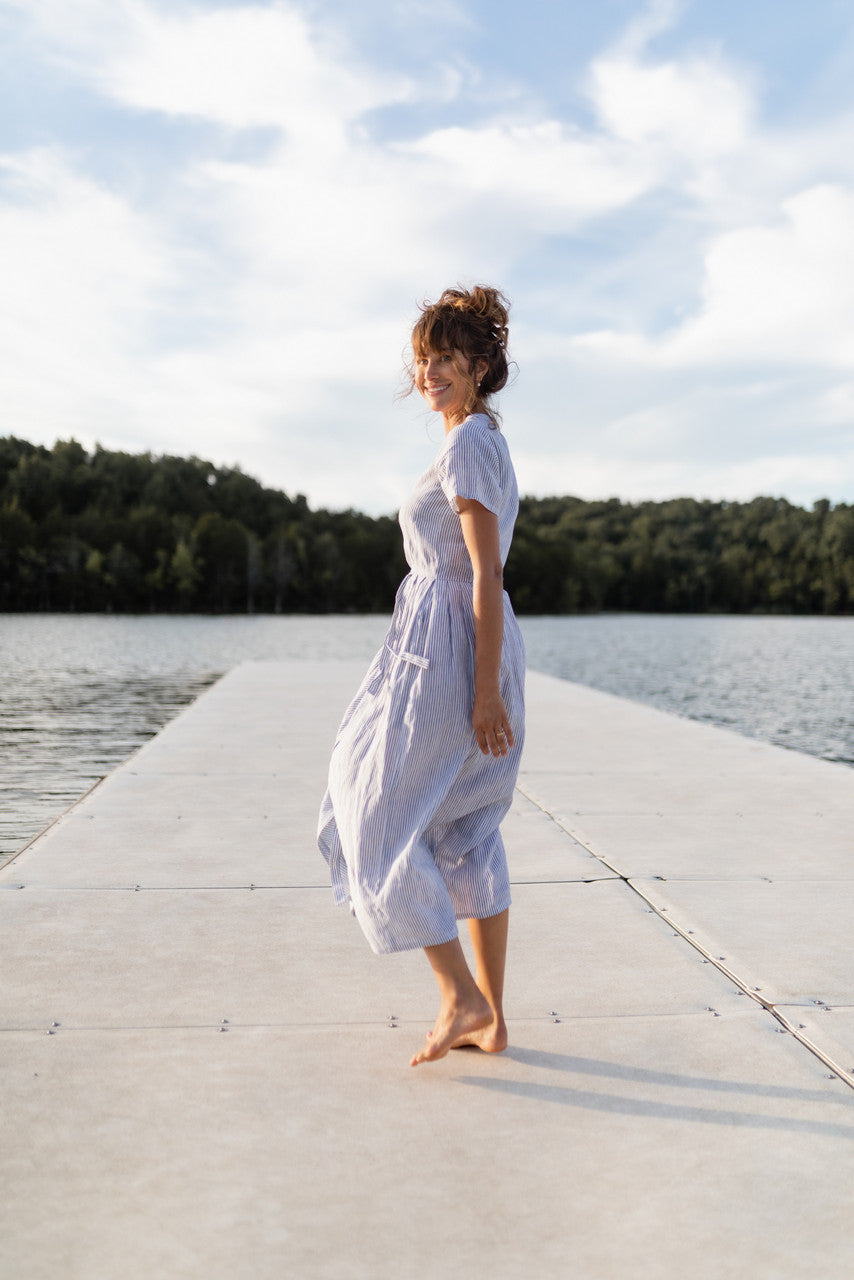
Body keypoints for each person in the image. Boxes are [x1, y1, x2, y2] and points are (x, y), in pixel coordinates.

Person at [317, 284, 525, 1067]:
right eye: (423, 360)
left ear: (477, 366)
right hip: (454, 643)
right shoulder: (479, 441)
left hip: (447, 651)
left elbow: (483, 571)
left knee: (369, 809)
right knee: (465, 832)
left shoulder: (469, 442)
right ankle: (490, 1018)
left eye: (445, 358)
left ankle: (459, 997)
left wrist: (480, 688)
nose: (430, 372)